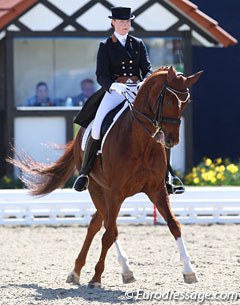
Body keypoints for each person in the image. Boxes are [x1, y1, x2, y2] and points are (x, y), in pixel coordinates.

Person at [73, 6, 152, 192]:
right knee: (97, 126)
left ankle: (168, 175)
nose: (125, 25)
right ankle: (85, 172)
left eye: (128, 22)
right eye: (122, 22)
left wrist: (146, 81)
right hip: (115, 92)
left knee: (158, 126)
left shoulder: (138, 44)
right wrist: (114, 85)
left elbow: (147, 68)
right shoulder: (106, 45)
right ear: (113, 23)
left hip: (137, 91)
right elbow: (101, 75)